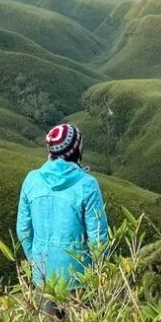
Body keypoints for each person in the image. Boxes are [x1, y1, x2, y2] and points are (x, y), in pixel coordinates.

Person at [16, 123, 109, 299]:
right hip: (80, 278)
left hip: (43, 278)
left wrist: (35, 262)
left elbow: (23, 231)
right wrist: (97, 273)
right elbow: (98, 239)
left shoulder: (31, 180)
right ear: (76, 149)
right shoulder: (88, 185)